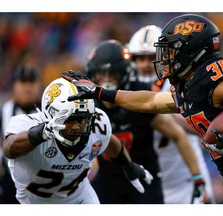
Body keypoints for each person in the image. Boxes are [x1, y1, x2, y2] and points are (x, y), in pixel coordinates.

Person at [62, 14, 223, 204]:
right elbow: (149, 101)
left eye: (170, 50)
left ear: (190, 51)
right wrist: (100, 92)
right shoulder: (188, 88)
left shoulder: (215, 82)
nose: (164, 58)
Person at [82, 39, 207, 204]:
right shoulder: (86, 102)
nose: (107, 80)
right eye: (101, 74)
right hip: (108, 180)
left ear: (125, 73)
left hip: (144, 176)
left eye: (114, 74)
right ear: (92, 74)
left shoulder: (136, 95)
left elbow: (178, 135)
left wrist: (197, 176)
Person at [2, 77, 152, 204]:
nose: (76, 127)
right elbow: (9, 148)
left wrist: (129, 166)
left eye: (82, 119)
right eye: (71, 119)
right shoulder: (28, 125)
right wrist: (40, 134)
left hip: (80, 199)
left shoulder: (97, 125)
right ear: (51, 114)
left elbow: (110, 141)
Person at [127, 25, 215, 204]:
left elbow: (200, 127)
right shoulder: (127, 91)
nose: (145, 64)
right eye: (139, 58)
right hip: (150, 182)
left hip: (186, 177)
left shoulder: (180, 84)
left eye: (151, 57)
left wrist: (173, 113)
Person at [0, 65, 42, 204]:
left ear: (38, 85)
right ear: (15, 86)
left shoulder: (47, 110)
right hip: (10, 178)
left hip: (41, 178)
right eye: (23, 82)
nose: (27, 88)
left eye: (31, 82)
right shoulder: (4, 110)